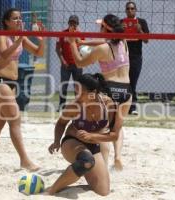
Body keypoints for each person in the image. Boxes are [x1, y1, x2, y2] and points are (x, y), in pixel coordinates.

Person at [0, 8, 45, 171]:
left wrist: (41, 39)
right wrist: (20, 38)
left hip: (11, 83)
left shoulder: (19, 37)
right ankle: (24, 160)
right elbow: (4, 54)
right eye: (15, 19)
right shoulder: (2, 36)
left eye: (20, 18)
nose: (19, 21)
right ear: (7, 22)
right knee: (15, 119)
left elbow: (39, 52)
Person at [68, 14, 131, 170]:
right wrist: (83, 41)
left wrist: (72, 43)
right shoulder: (124, 42)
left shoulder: (102, 49)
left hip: (110, 88)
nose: (98, 29)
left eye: (100, 26)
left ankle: (103, 163)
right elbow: (104, 40)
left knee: (104, 129)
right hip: (127, 91)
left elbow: (79, 62)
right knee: (117, 127)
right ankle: (118, 156)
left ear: (106, 28)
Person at [47, 73, 118, 196]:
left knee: (103, 191)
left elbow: (114, 135)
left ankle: (71, 178)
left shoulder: (108, 104)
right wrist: (57, 141)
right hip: (72, 142)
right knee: (86, 161)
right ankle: (51, 190)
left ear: (93, 92)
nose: (77, 95)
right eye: (75, 91)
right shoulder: (75, 106)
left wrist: (92, 137)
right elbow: (60, 124)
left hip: (93, 144)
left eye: (81, 92)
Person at [122, 1, 149, 115]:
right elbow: (114, 40)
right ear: (125, 10)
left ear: (136, 10)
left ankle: (132, 107)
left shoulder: (141, 22)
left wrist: (140, 30)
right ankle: (124, 107)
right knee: (124, 83)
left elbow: (146, 40)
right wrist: (120, 31)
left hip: (136, 57)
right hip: (122, 56)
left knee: (132, 82)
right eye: (128, 8)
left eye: (132, 8)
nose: (130, 10)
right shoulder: (121, 22)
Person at [56, 15, 83, 111]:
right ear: (68, 23)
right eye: (71, 22)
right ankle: (61, 106)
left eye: (74, 23)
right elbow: (58, 49)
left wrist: (81, 60)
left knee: (77, 86)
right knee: (64, 85)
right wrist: (62, 60)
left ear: (77, 24)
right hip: (66, 64)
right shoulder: (63, 34)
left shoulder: (80, 34)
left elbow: (84, 50)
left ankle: (78, 106)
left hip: (77, 64)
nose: (73, 24)